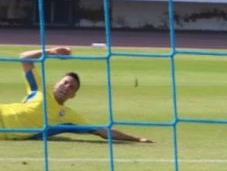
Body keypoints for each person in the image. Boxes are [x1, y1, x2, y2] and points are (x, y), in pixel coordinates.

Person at [0, 46, 153, 142]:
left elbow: (103, 132)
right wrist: (50, 52)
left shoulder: (68, 116)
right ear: (56, 84)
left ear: (73, 96)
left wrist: (136, 139)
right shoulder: (38, 89)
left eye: (72, 87)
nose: (66, 87)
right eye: (64, 82)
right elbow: (24, 57)